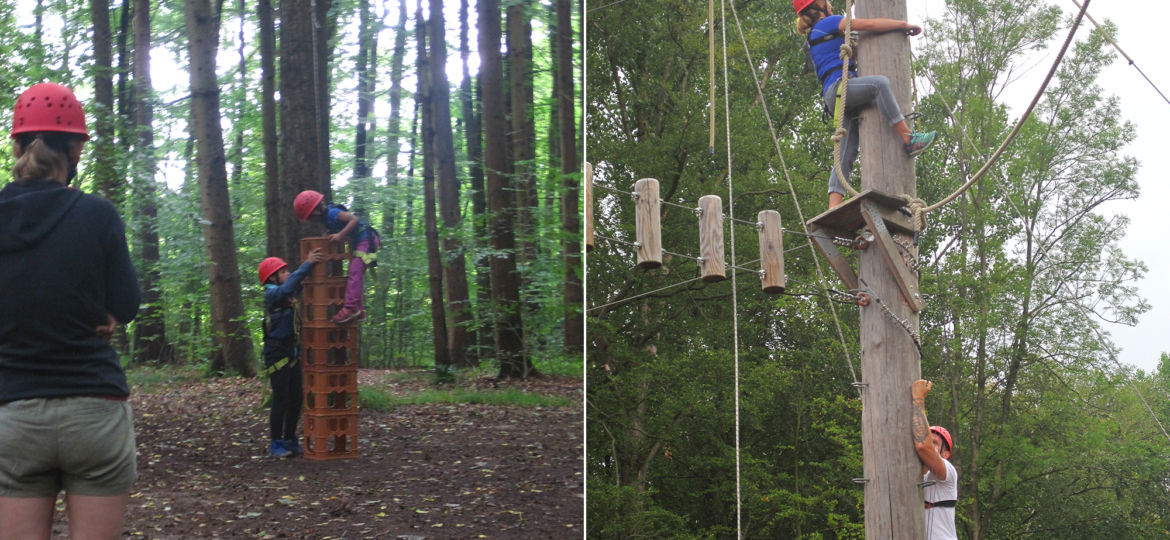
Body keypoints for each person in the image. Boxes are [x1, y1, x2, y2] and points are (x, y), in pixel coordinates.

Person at [0, 82, 141, 539]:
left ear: (17, 144)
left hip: (12, 412)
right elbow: (127, 304)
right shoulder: (98, 215)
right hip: (94, 410)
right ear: (76, 149)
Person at [793, 0, 938, 208]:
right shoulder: (829, 23)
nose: (830, 3)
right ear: (819, 7)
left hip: (833, 96)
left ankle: (834, 204)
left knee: (846, 151)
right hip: (840, 88)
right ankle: (908, 138)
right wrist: (902, 25)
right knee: (879, 84)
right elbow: (869, 25)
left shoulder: (814, 35)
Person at [258, 249, 324, 458]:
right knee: (281, 398)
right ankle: (275, 443)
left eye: (287, 271)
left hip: (292, 352)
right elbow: (286, 289)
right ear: (272, 277)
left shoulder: (287, 294)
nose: (287, 274)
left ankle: (289, 438)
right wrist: (306, 265)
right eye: (283, 271)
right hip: (277, 354)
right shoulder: (272, 293)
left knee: (296, 397)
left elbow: (292, 287)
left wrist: (311, 269)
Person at [292, 189, 381, 323]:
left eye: (311, 217)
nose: (312, 220)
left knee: (354, 273)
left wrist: (340, 235)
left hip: (367, 241)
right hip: (360, 242)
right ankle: (359, 311)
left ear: (316, 211)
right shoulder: (327, 219)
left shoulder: (333, 213)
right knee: (356, 273)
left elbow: (354, 220)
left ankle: (351, 308)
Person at [912, 379, 958, 540]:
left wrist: (918, 400)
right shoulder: (917, 478)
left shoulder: (948, 471)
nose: (930, 445)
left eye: (935, 444)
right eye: (929, 440)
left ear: (946, 454)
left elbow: (923, 446)